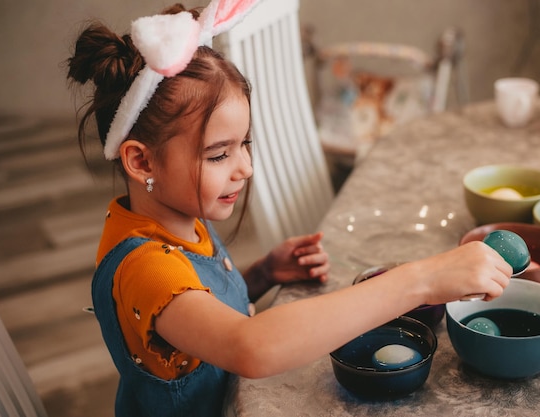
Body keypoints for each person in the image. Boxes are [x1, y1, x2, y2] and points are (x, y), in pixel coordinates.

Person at [66, 1, 511, 416]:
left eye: (245, 144)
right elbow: (249, 347)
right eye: (218, 154)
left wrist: (259, 276)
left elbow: (193, 312)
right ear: (141, 160)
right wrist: (420, 281)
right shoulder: (144, 266)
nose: (245, 168)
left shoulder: (171, 216)